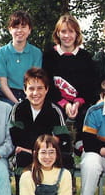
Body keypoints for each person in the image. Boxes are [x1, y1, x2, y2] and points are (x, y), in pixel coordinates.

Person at [41, 14, 98, 153]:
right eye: (63, 31)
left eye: (71, 31)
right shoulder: (49, 56)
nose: (67, 35)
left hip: (79, 102)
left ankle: (81, 141)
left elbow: (89, 85)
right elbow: (47, 83)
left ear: (77, 34)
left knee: (87, 113)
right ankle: (59, 143)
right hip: (57, 101)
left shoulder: (85, 56)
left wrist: (77, 103)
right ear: (57, 33)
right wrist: (64, 103)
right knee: (54, 112)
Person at [9, 67, 73, 178]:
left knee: (66, 159)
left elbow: (63, 139)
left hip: (49, 153)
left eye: (40, 88)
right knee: (22, 157)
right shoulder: (18, 109)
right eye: (31, 88)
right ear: (25, 90)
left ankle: (62, 194)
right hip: (26, 154)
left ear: (46, 89)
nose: (35, 93)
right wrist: (49, 139)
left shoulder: (54, 110)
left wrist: (38, 150)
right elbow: (17, 138)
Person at [0, 10, 42, 105]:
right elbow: (3, 84)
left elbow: (35, 81)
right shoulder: (2, 53)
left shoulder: (36, 53)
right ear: (10, 30)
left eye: (23, 27)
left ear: (29, 30)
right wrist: (17, 104)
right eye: (16, 27)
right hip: (6, 95)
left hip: (29, 93)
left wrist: (28, 100)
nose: (19, 30)